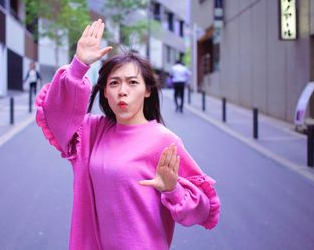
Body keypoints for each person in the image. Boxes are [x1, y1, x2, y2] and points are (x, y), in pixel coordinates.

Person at [35, 19, 220, 250]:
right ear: (104, 91)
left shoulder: (164, 141)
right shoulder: (92, 132)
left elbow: (202, 210)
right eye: (114, 83)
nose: (122, 91)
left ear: (147, 90)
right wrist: (78, 65)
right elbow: (55, 116)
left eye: (132, 82)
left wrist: (173, 189)